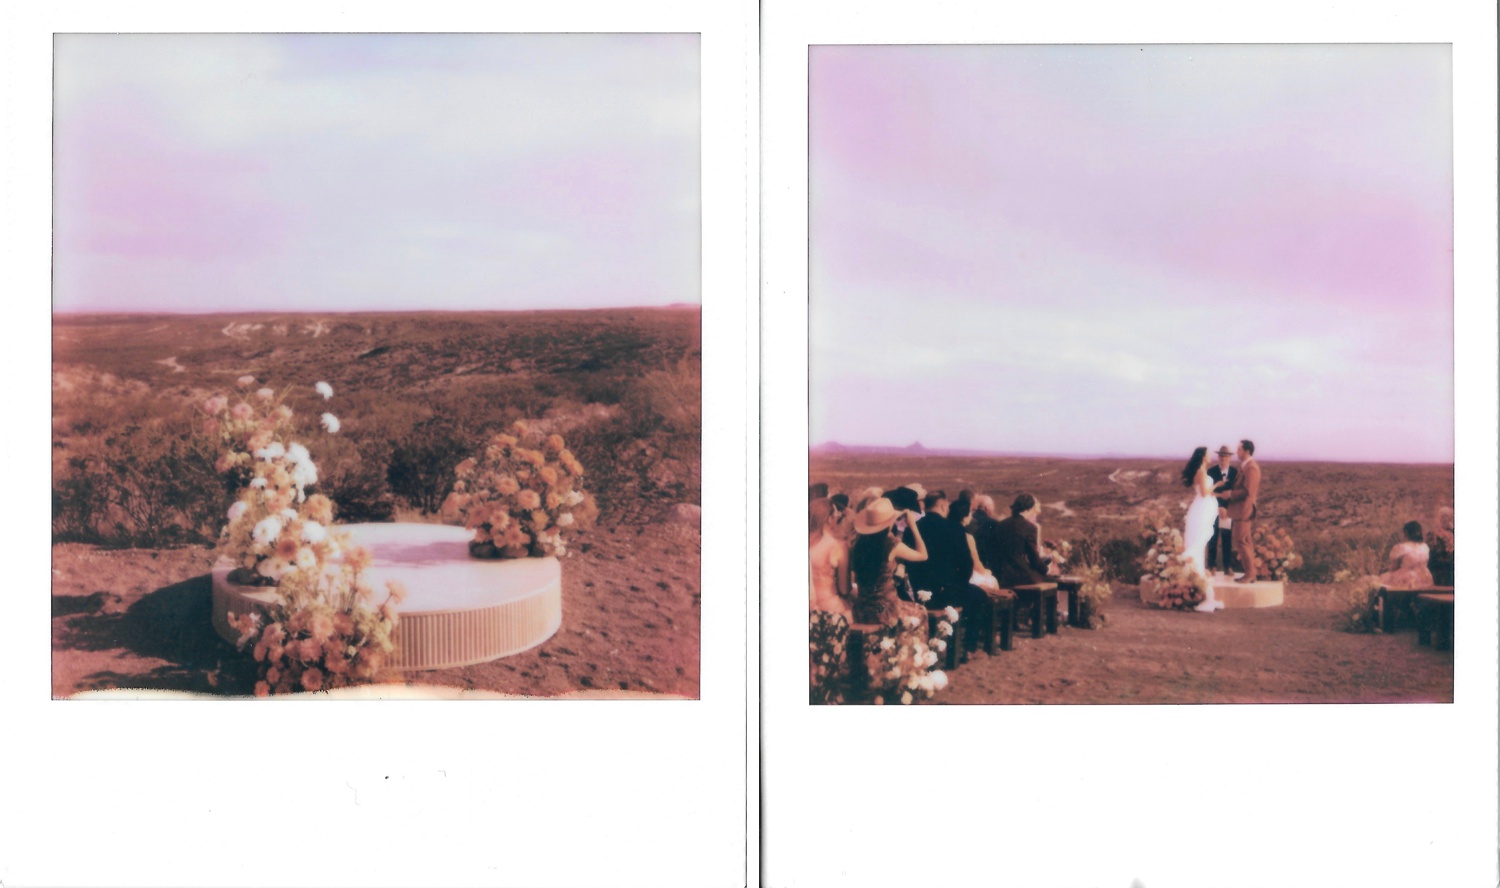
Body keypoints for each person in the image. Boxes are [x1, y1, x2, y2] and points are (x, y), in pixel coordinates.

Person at [910, 491, 995, 657]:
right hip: (948, 590)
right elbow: (966, 563)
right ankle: (968, 648)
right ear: (943, 505)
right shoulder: (954, 528)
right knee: (980, 598)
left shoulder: (914, 527)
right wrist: (960, 582)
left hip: (919, 589)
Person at [849, 497, 929, 627]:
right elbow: (923, 555)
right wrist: (913, 526)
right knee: (921, 612)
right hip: (885, 608)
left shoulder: (857, 545)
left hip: (862, 608)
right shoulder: (891, 544)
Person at [1180, 446, 1224, 612]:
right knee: (1197, 547)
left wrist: (1218, 495)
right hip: (1201, 510)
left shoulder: (1202, 470)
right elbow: (1205, 493)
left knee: (1199, 547)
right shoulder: (1200, 470)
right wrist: (1218, 485)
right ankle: (1204, 592)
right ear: (1203, 456)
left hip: (1203, 508)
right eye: (1207, 454)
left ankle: (1206, 592)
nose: (1210, 455)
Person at [1218, 439, 1263, 582]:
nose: (1237, 452)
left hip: (1244, 511)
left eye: (1239, 449)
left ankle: (1249, 574)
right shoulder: (1246, 466)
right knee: (1246, 541)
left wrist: (1230, 494)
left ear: (1247, 451)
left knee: (1241, 541)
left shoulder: (1251, 468)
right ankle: (1252, 573)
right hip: (1242, 511)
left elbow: (1247, 491)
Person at [989, 493, 1053, 589]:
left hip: (1003, 575)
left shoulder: (1001, 524)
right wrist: (1046, 570)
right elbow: (1033, 557)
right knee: (1048, 580)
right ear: (1029, 508)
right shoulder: (1030, 527)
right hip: (1021, 575)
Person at [808, 498, 852, 619]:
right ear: (829, 519)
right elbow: (844, 589)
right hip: (830, 608)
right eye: (836, 514)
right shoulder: (837, 546)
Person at [1206, 445, 1239, 575]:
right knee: (1212, 538)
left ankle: (1227, 567)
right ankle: (1211, 566)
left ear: (1230, 458)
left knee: (1227, 539)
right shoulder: (1211, 472)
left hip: (1228, 511)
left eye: (1226, 456)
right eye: (1221, 456)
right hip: (1213, 509)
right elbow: (1208, 492)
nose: (1223, 459)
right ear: (1218, 457)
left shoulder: (1235, 473)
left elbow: (1236, 493)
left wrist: (1227, 509)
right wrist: (1219, 506)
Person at [1378, 521, 1435, 589]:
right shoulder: (1425, 546)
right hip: (1425, 579)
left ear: (1406, 533)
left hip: (1409, 580)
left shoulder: (1401, 547)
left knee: (1379, 583)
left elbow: (1394, 568)